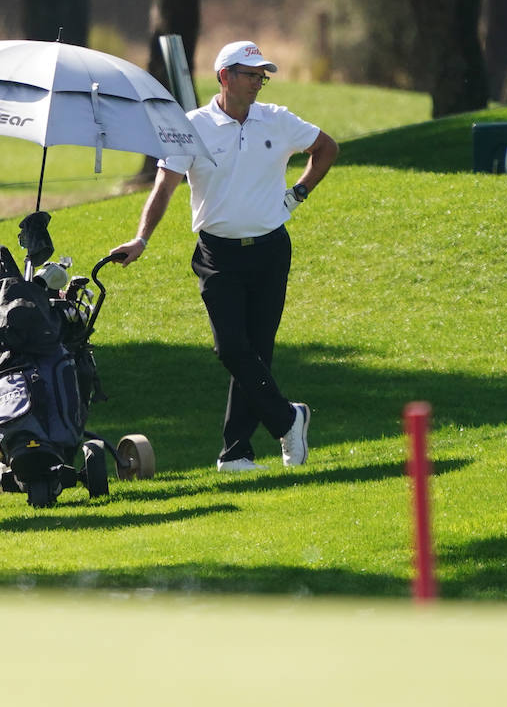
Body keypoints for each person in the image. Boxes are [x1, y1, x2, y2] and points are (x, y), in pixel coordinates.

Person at [109, 40, 339, 472]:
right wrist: (141, 239)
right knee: (230, 346)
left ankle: (236, 453)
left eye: (262, 75)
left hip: (271, 249)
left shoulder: (278, 120)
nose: (259, 82)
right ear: (224, 76)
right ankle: (289, 419)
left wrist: (298, 194)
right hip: (217, 255)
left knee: (257, 353)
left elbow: (327, 149)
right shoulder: (191, 126)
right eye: (251, 75)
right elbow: (164, 187)